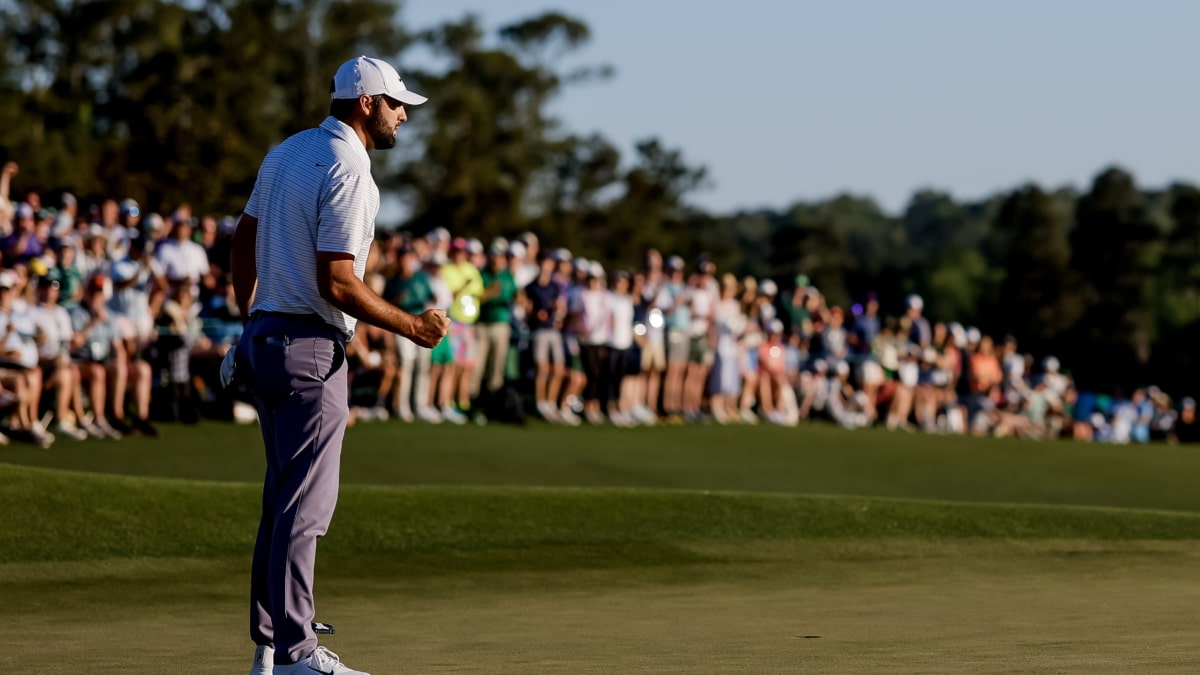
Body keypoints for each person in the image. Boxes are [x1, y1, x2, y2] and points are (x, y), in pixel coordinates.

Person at [229, 56, 448, 675]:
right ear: (365, 103)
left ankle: (271, 646)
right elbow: (338, 284)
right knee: (305, 507)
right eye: (397, 104)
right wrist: (414, 328)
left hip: (267, 338)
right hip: (311, 348)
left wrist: (250, 316)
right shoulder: (352, 169)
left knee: (281, 500)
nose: (403, 115)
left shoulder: (287, 152)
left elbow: (244, 238)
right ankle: (297, 652)